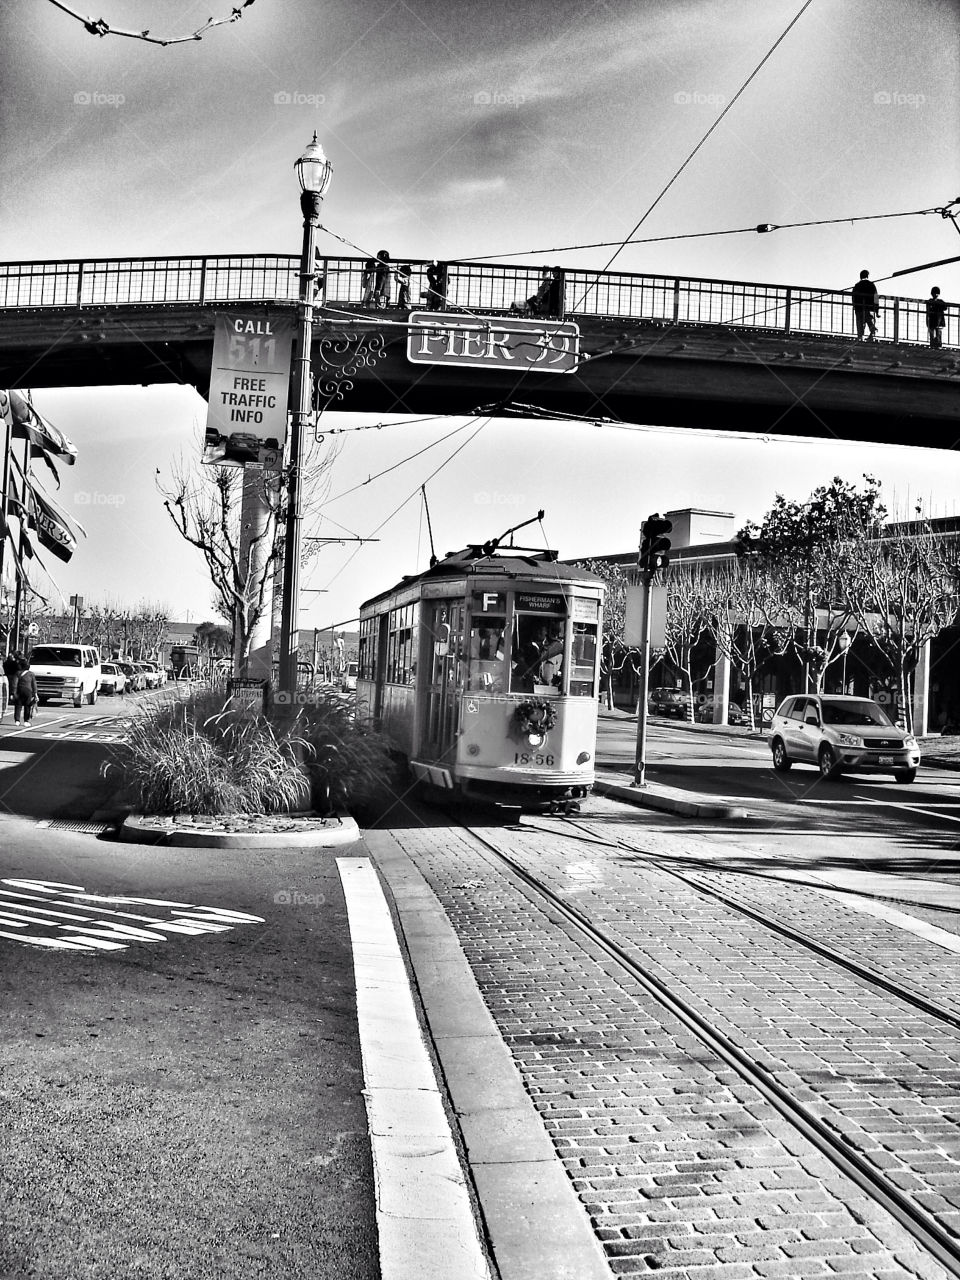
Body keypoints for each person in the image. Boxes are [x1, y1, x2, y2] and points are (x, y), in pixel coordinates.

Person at [851, 269, 880, 341]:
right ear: (867, 276)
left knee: (860, 322)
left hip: (859, 307)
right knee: (869, 320)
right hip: (869, 308)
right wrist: (877, 310)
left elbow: (853, 297)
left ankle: (860, 337)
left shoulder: (857, 286)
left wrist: (855, 306)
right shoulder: (871, 285)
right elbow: (876, 297)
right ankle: (872, 333)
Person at [13, 657, 37, 726]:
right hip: (28, 691)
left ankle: (17, 720)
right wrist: (35, 693)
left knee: (18, 705)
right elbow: (34, 684)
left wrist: (14, 693)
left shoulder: (18, 673)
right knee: (27, 706)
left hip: (19, 690)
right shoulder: (31, 674)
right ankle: (26, 720)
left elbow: (15, 683)